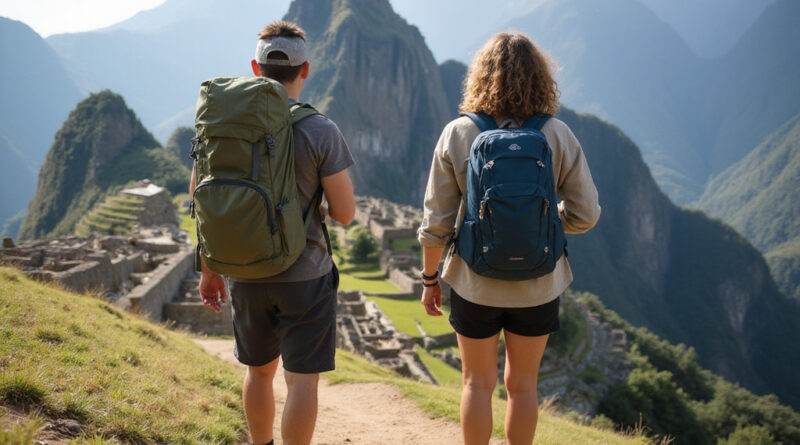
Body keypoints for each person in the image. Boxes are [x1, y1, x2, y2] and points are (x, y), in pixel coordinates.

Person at [418, 32, 600, 445]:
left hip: (473, 282)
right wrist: (547, 224)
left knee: (475, 384)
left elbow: (436, 222)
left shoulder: (457, 133)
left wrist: (431, 280)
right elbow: (586, 214)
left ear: (480, 77)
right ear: (541, 78)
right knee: (523, 386)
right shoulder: (558, 135)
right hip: (537, 284)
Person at [192, 21, 355, 445]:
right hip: (306, 275)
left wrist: (209, 270)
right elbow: (345, 214)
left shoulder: (221, 128)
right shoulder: (321, 130)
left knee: (258, 374)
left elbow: (202, 200)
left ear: (255, 66)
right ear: (306, 70)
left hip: (243, 272)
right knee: (302, 382)